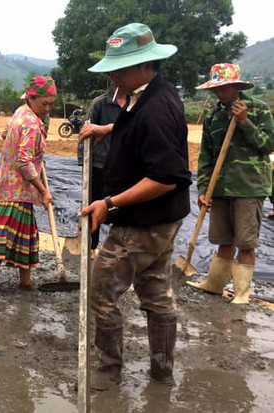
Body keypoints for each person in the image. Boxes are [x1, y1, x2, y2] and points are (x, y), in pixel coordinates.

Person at [80, 23, 192, 389]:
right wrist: (107, 130)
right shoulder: (151, 94)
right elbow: (139, 129)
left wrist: (109, 202)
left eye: (119, 66)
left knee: (101, 290)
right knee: (156, 291)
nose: (112, 73)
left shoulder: (156, 106)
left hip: (143, 222)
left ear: (145, 65)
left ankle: (108, 369)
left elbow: (165, 177)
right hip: (162, 219)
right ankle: (162, 371)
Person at [191, 63, 274, 304]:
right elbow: (206, 156)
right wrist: (204, 188)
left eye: (223, 88)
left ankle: (241, 293)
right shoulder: (213, 115)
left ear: (235, 86)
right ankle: (215, 284)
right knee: (223, 239)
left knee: (246, 243)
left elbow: (267, 145)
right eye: (215, 89)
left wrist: (245, 122)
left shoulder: (258, 109)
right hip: (220, 187)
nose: (218, 93)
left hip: (249, 186)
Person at [0, 75, 55, 295]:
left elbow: (5, 133)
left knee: (25, 239)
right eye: (44, 103)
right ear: (31, 98)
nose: (47, 108)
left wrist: (35, 154)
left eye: (51, 103)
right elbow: (24, 162)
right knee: (3, 242)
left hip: (8, 188)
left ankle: (26, 283)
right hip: (16, 191)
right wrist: (44, 191)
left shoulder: (21, 112)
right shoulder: (31, 124)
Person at [78, 87, 127, 253]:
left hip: (124, 168)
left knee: (121, 208)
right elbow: (85, 134)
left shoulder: (136, 104)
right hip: (99, 166)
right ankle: (90, 248)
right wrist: (84, 167)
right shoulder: (100, 104)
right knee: (93, 208)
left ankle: (120, 250)